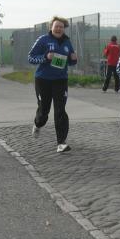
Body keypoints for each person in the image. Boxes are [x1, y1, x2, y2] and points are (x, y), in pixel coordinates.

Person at [27, 16, 78, 153]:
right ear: (51, 27)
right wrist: (45, 57)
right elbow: (30, 57)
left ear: (64, 29)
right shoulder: (43, 40)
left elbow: (70, 61)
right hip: (43, 80)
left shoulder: (67, 42)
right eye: (56, 26)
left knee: (60, 110)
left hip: (60, 80)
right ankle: (38, 124)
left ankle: (61, 143)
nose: (59, 29)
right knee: (44, 110)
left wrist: (74, 59)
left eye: (61, 27)